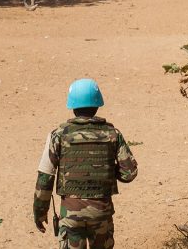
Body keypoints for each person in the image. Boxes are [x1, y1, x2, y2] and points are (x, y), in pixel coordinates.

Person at [33, 78, 138, 248]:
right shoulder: (112, 134)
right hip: (101, 212)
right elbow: (129, 173)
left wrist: (39, 211)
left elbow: (45, 178)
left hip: (71, 214)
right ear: (98, 105)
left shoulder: (58, 135)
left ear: (72, 107)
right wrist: (108, 170)